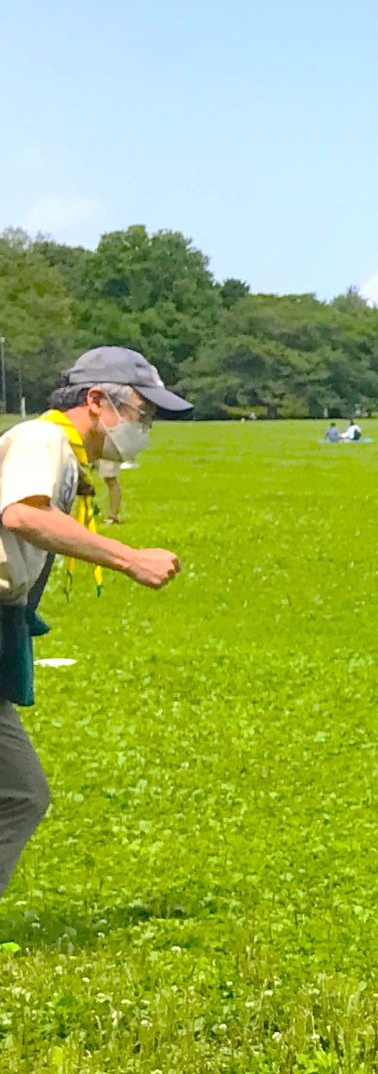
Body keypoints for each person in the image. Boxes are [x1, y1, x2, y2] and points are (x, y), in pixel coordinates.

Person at [0, 350, 188, 894]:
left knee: (19, 794)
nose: (143, 430)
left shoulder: (62, 454)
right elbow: (22, 514)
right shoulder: (43, 440)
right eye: (140, 414)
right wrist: (128, 558)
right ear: (97, 401)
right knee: (17, 794)